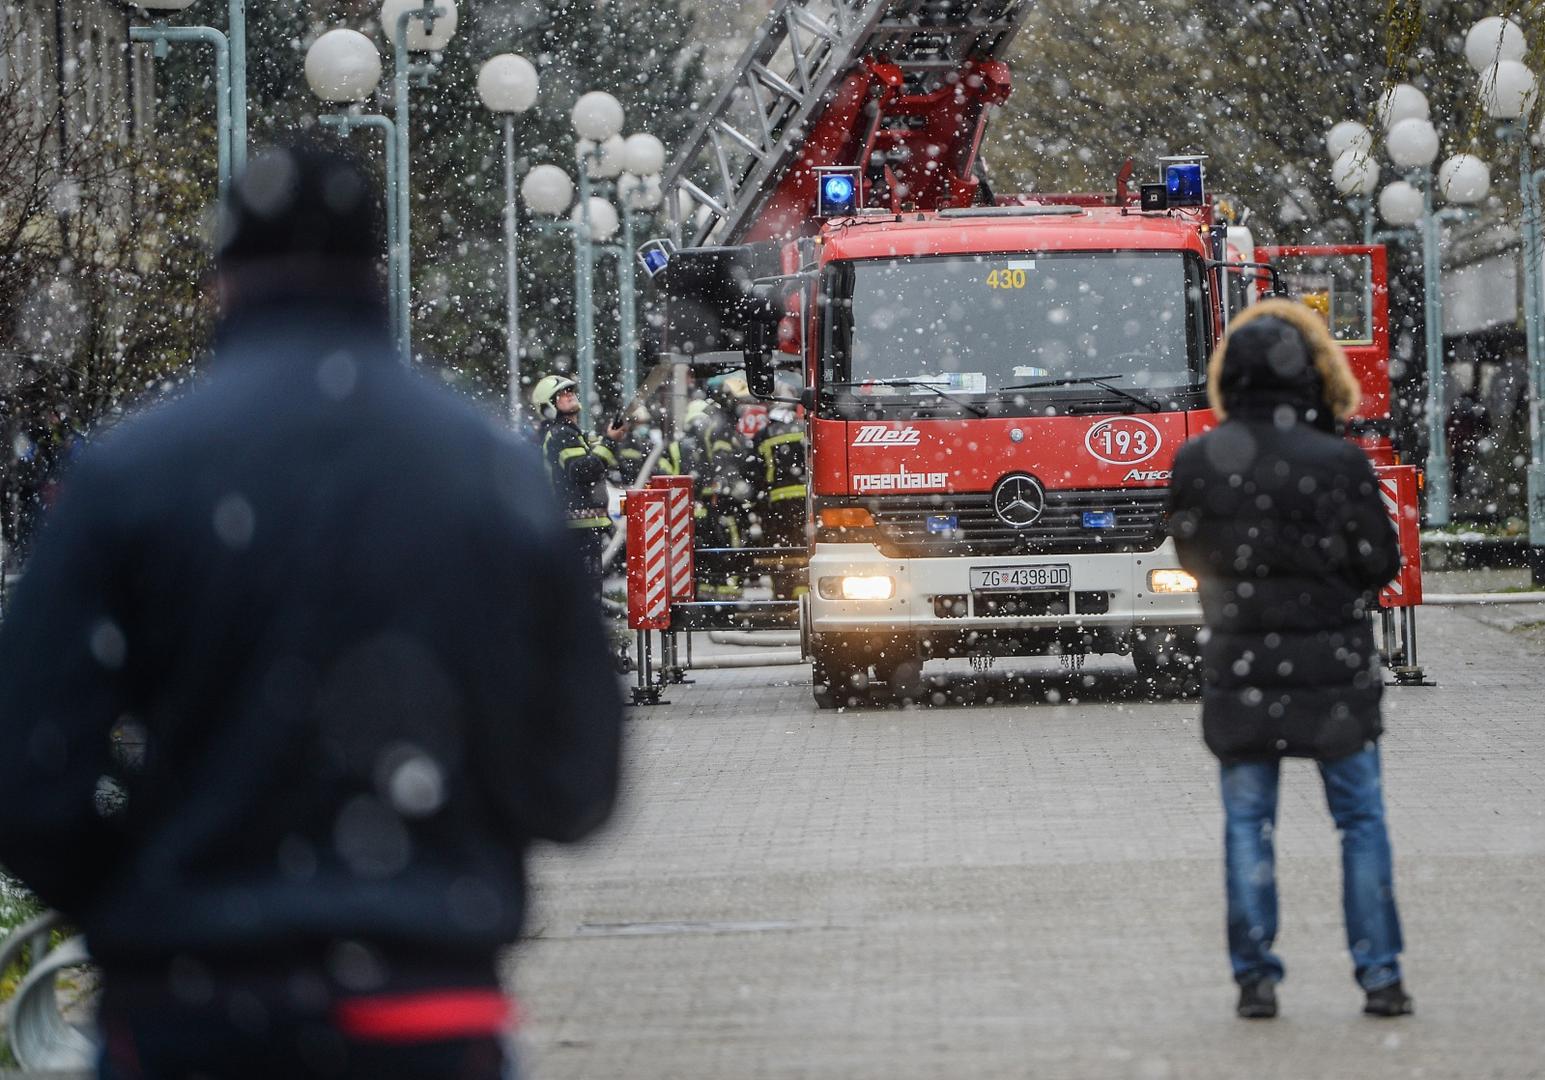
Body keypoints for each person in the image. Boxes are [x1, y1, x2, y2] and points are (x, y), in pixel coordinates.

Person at [0, 143, 623, 1078]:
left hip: (188, 1011)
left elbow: (26, 767)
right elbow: (579, 780)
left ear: (222, 279)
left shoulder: (131, 474)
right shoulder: (485, 470)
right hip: (423, 1001)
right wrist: (440, 843)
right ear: (376, 270)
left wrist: (144, 885)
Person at [1166, 299, 1412, 1021]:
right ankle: (1379, 977)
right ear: (1309, 375)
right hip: (1333, 669)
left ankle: (1254, 979)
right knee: (1359, 821)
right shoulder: (1336, 462)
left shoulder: (1198, 460)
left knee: (1249, 823)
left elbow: (1189, 552)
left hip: (1240, 667)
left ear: (1227, 377)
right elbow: (1380, 559)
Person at [532, 374, 627, 580]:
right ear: (548, 407)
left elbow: (593, 458)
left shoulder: (572, 434)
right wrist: (609, 442)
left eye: (571, 391)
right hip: (574, 534)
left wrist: (609, 439)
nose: (570, 395)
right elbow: (584, 470)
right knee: (584, 597)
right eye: (561, 394)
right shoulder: (560, 434)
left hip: (581, 531)